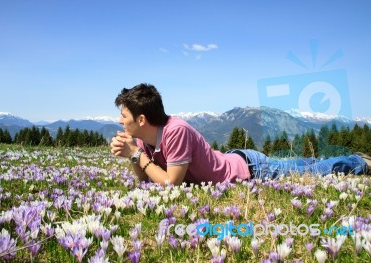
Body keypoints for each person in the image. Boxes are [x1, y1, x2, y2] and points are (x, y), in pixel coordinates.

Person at [110, 83, 371, 185]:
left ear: (142, 119)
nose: (120, 122)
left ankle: (359, 162)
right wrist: (132, 155)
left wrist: (135, 154)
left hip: (249, 169)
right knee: (297, 166)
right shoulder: (145, 139)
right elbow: (146, 177)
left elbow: (170, 184)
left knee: (310, 174)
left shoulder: (175, 131)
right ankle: (326, 160)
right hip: (238, 159)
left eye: (124, 116)